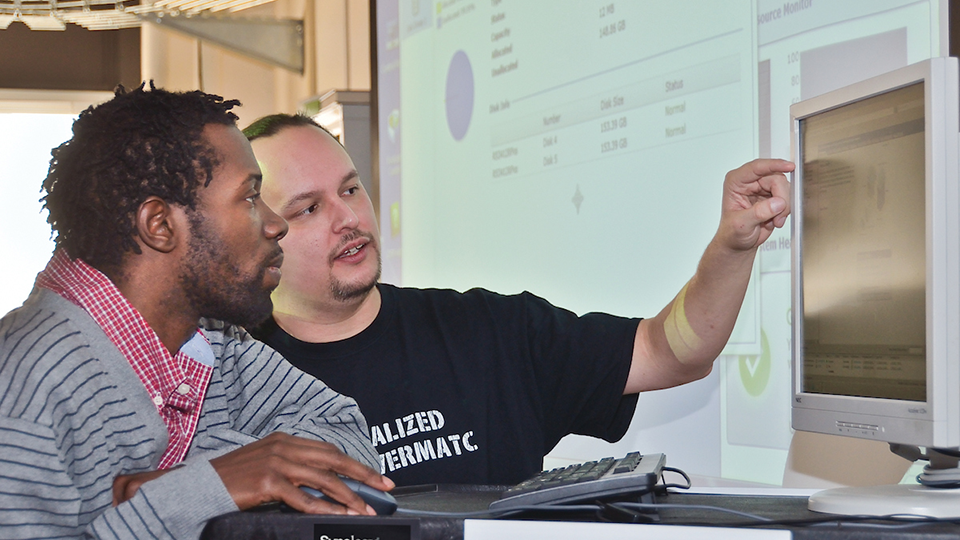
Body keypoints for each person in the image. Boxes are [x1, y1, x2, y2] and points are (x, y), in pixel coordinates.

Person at [243, 113, 794, 487]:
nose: (348, 218)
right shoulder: (225, 383)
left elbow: (670, 352)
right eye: (308, 209)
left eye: (349, 188)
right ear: (257, 232)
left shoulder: (484, 330)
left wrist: (731, 246)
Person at [0, 87, 394, 540]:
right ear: (161, 225)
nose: (276, 224)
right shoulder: (23, 393)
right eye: (249, 198)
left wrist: (183, 485)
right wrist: (210, 487)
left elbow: (347, 436)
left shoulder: (209, 339)